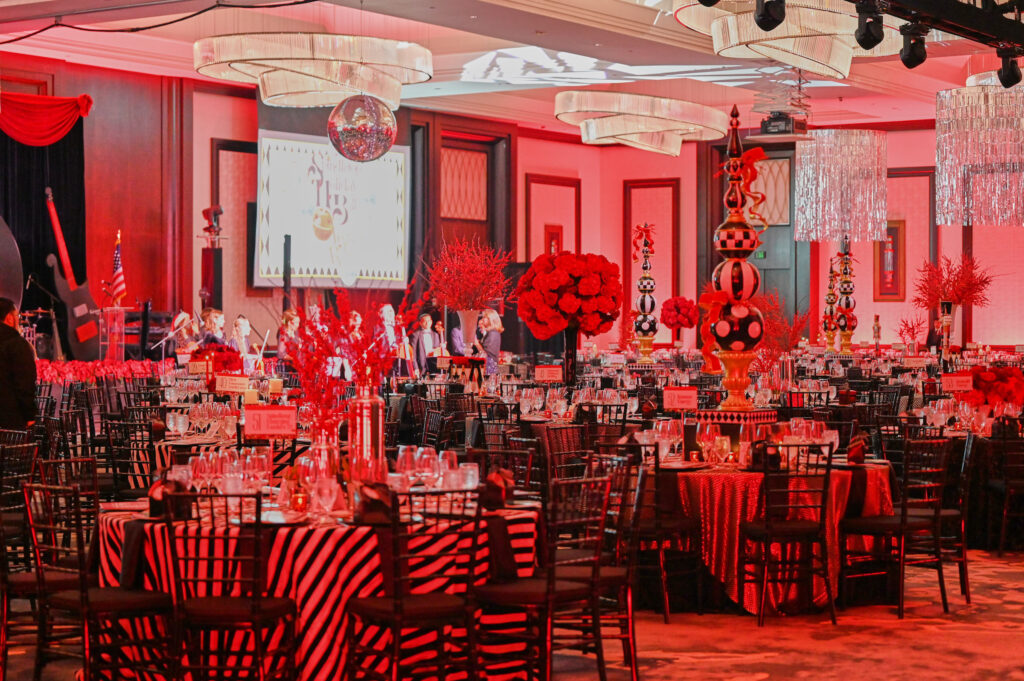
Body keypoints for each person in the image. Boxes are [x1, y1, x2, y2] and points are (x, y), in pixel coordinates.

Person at [0, 297, 37, 430]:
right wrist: (30, 416)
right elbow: (25, 383)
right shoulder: (16, 344)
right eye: (17, 316)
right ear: (10, 318)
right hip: (11, 421)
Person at [409, 313, 441, 378]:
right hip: (421, 366)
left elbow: (437, 352)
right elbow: (413, 353)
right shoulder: (416, 335)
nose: (427, 323)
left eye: (429, 321)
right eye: (424, 321)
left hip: (433, 366)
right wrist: (416, 368)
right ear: (420, 323)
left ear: (431, 322)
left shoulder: (436, 335)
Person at [473, 308, 503, 376]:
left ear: (490, 319)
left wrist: (477, 344)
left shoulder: (493, 334)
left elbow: (486, 354)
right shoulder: (492, 333)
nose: (482, 320)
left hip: (489, 368)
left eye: (484, 317)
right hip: (490, 367)